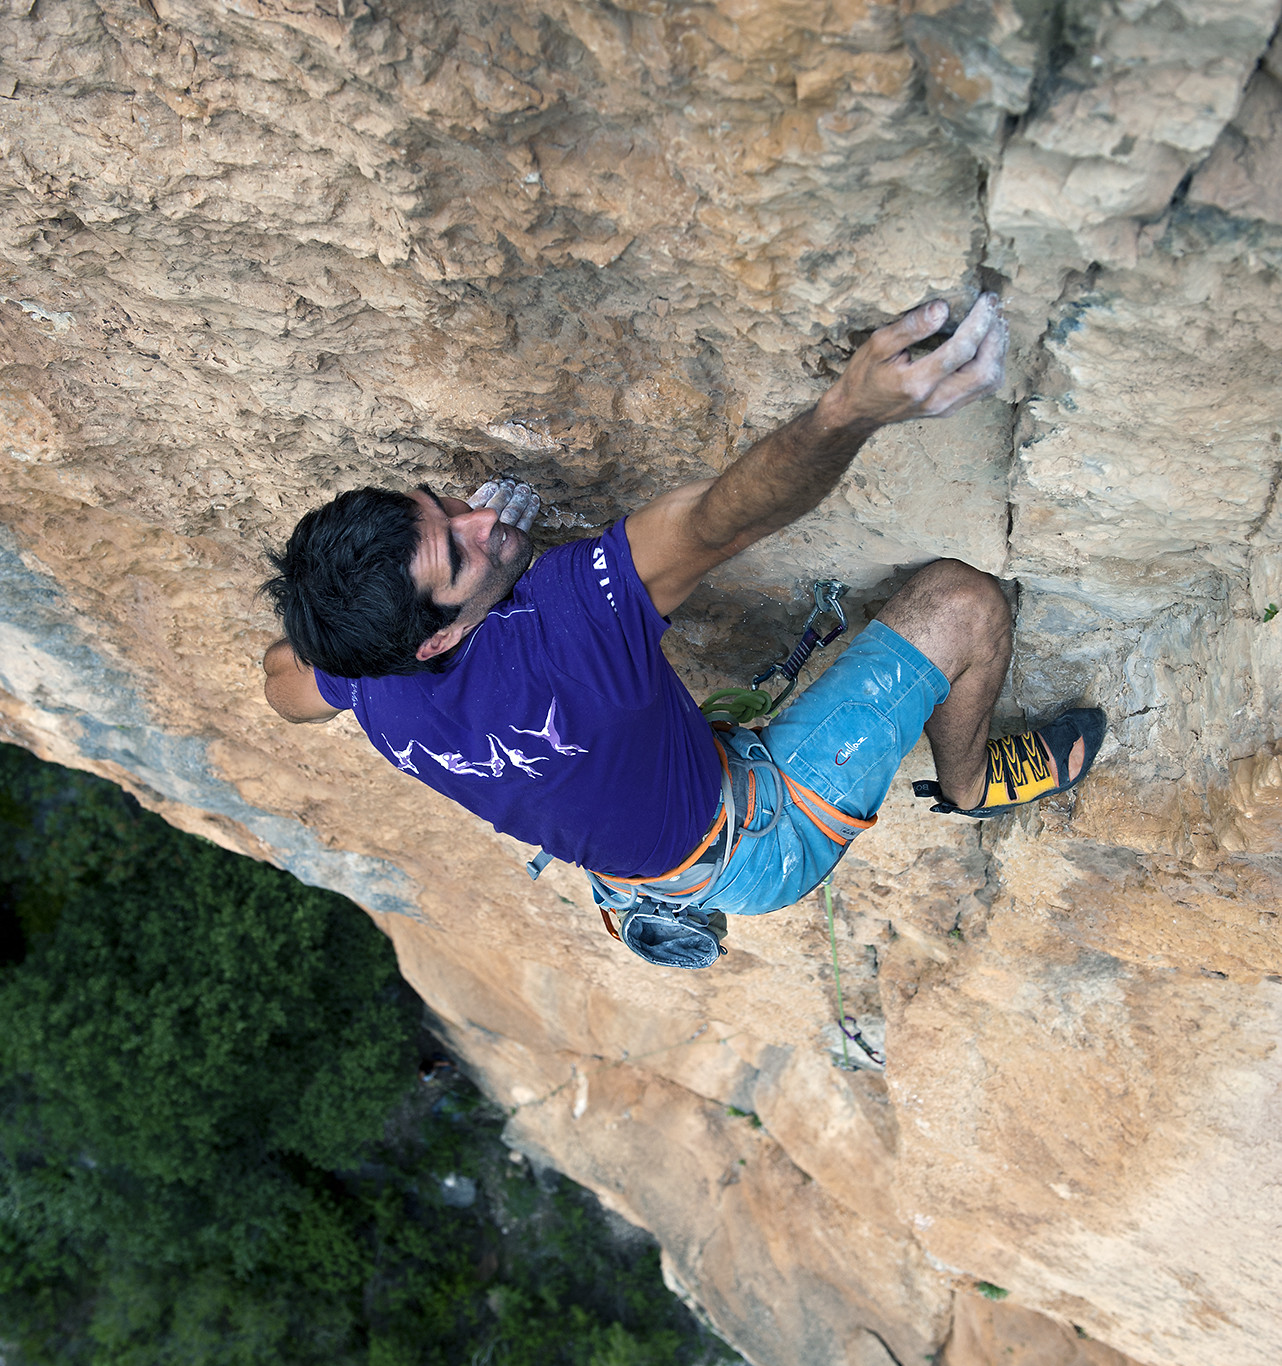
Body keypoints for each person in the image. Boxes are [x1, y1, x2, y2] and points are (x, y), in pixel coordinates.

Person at [261, 294, 1104, 966]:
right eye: (458, 553)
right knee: (963, 604)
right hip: (761, 841)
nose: (480, 519)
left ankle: (649, 893)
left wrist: (370, 615)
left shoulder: (361, 675)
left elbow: (282, 688)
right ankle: (969, 784)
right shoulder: (566, 627)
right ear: (435, 641)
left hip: (635, 845)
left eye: (440, 507)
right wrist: (850, 409)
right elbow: (719, 520)